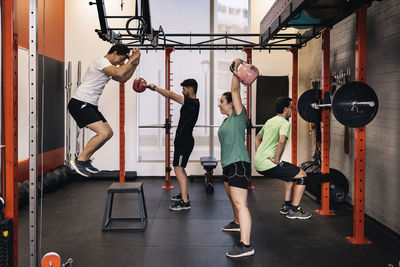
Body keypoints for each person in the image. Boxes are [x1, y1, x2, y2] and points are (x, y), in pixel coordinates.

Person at [68, 44, 141, 177]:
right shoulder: (100, 61)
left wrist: (135, 63)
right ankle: (79, 161)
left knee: (108, 133)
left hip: (90, 105)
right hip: (80, 103)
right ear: (114, 53)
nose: (120, 63)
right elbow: (120, 72)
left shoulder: (108, 67)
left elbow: (123, 78)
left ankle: (84, 161)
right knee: (102, 133)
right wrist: (133, 58)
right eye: (121, 59)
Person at [218, 58, 254, 258]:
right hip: (228, 165)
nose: (219, 104)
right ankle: (237, 222)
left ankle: (246, 244)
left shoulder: (239, 115)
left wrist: (236, 70)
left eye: (222, 102)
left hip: (239, 164)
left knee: (241, 203)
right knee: (233, 198)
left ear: (232, 104)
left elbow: (235, 91)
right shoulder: (227, 121)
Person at [254, 97, 312, 219]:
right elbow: (281, 141)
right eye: (291, 107)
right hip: (269, 163)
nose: (292, 110)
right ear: (285, 109)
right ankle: (294, 210)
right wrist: (276, 158)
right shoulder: (285, 123)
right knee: (302, 175)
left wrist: (260, 154)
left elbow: (257, 138)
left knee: (290, 173)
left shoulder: (270, 121)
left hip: (259, 162)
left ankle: (286, 206)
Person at [147, 79, 200, 211]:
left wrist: (155, 88)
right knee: (178, 168)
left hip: (184, 142)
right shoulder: (191, 103)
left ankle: (185, 201)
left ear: (191, 89)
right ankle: (183, 194)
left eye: (184, 89)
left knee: (178, 169)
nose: (182, 91)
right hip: (182, 140)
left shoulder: (193, 103)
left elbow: (171, 95)